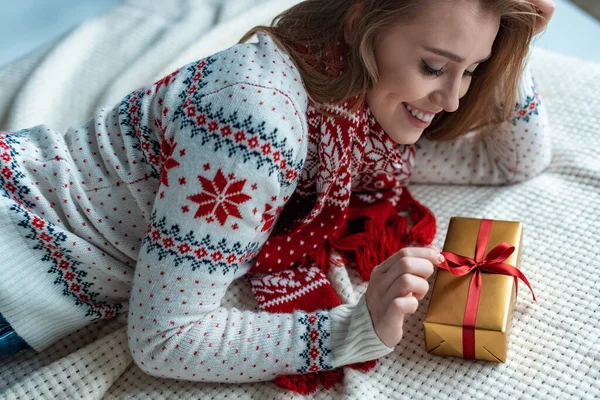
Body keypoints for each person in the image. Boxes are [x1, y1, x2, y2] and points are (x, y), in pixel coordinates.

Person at [0, 0, 554, 392]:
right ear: (362, 19)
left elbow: (510, 160)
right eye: (434, 67)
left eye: (473, 70)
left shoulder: (352, 113)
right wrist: (357, 328)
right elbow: (165, 339)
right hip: (15, 248)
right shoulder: (256, 125)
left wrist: (516, 47)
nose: (455, 100)